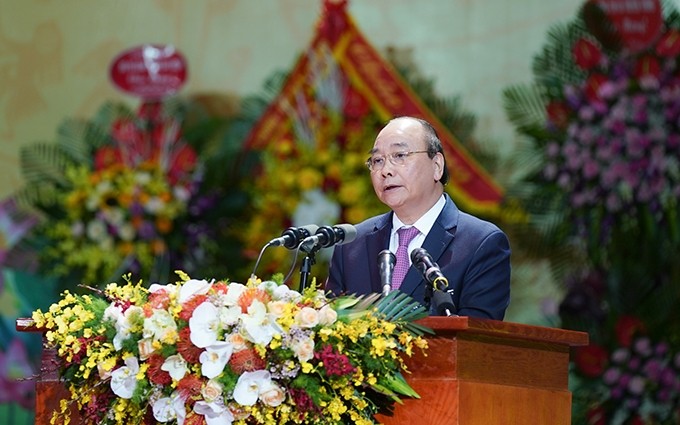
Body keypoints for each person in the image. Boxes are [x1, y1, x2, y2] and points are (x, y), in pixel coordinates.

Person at [325, 116, 511, 320]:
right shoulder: (352, 244)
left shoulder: (481, 243)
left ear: (437, 166)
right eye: (378, 160)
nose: (385, 171)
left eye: (400, 155)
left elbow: (476, 340)